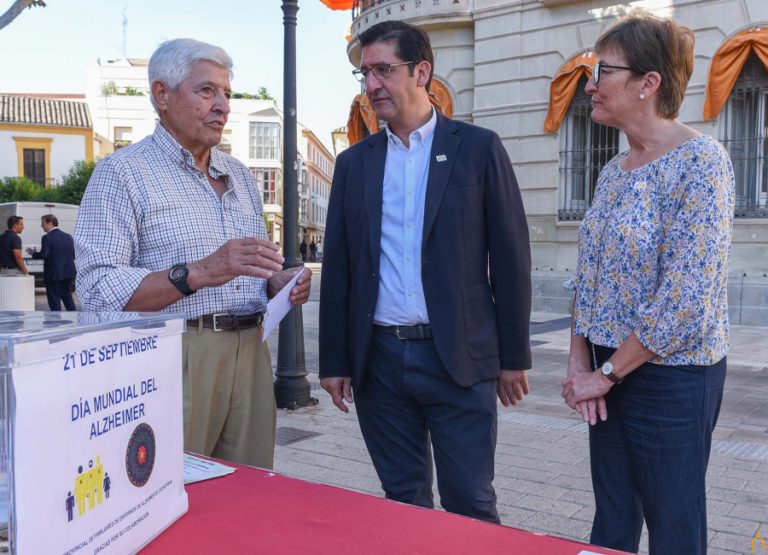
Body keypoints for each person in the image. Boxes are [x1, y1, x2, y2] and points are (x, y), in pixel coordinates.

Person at [319, 21, 531, 523]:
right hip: (379, 362)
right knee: (403, 501)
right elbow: (341, 268)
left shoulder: (478, 148)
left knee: (470, 503)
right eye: (365, 74)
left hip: (458, 357)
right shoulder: (354, 164)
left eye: (383, 70)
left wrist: (513, 357)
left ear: (421, 72)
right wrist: (334, 361)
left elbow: (511, 258)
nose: (372, 85)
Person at [75, 38, 311, 468]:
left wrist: (275, 284)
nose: (223, 106)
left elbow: (246, 273)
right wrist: (201, 271)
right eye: (207, 91)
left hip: (252, 351)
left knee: (249, 486)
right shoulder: (123, 172)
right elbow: (97, 289)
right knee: (175, 485)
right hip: (177, 353)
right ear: (162, 95)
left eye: (227, 93)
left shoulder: (240, 176)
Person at [560, 13, 734, 555]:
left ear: (648, 83)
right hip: (606, 368)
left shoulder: (702, 163)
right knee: (612, 520)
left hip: (671, 378)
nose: (590, 84)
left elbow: (686, 301)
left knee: (674, 527)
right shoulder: (613, 170)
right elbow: (589, 274)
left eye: (602, 71)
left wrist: (606, 374)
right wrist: (579, 359)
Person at [27, 214, 77, 311]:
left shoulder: (47, 237)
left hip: (53, 276)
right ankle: (75, 318)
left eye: (43, 223)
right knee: (68, 299)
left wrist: (34, 253)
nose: (41, 226)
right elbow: (73, 255)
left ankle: (56, 320)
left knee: (54, 304)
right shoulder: (68, 237)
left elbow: (44, 255)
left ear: (49, 223)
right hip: (68, 274)